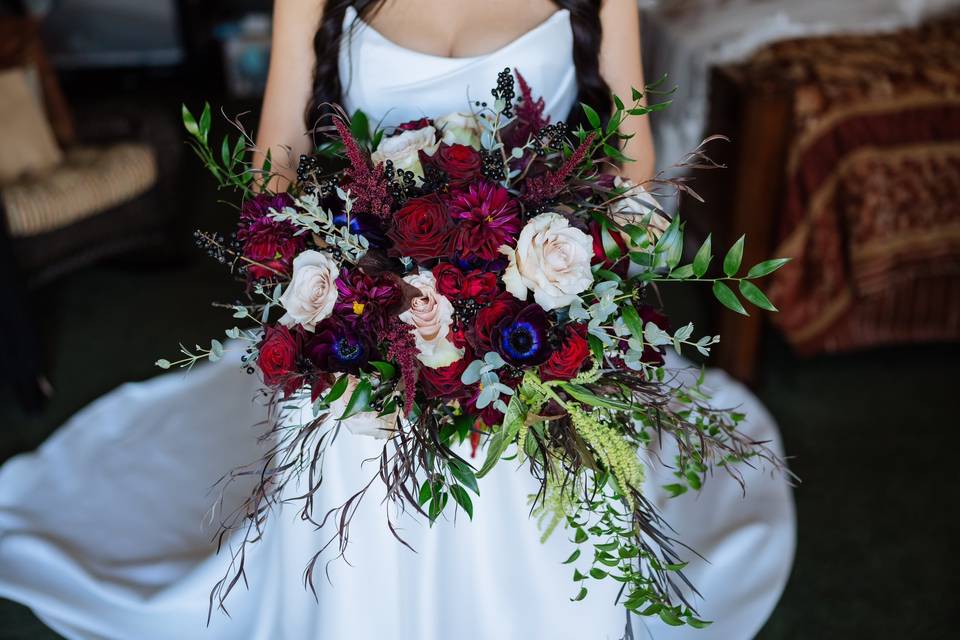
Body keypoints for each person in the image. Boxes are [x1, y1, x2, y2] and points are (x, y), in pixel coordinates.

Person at [0, 2, 795, 638]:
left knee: (540, 422)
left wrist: (558, 274)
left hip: (528, 292)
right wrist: (310, 268)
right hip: (370, 292)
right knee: (347, 422)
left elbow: (632, 165)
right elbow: (275, 152)